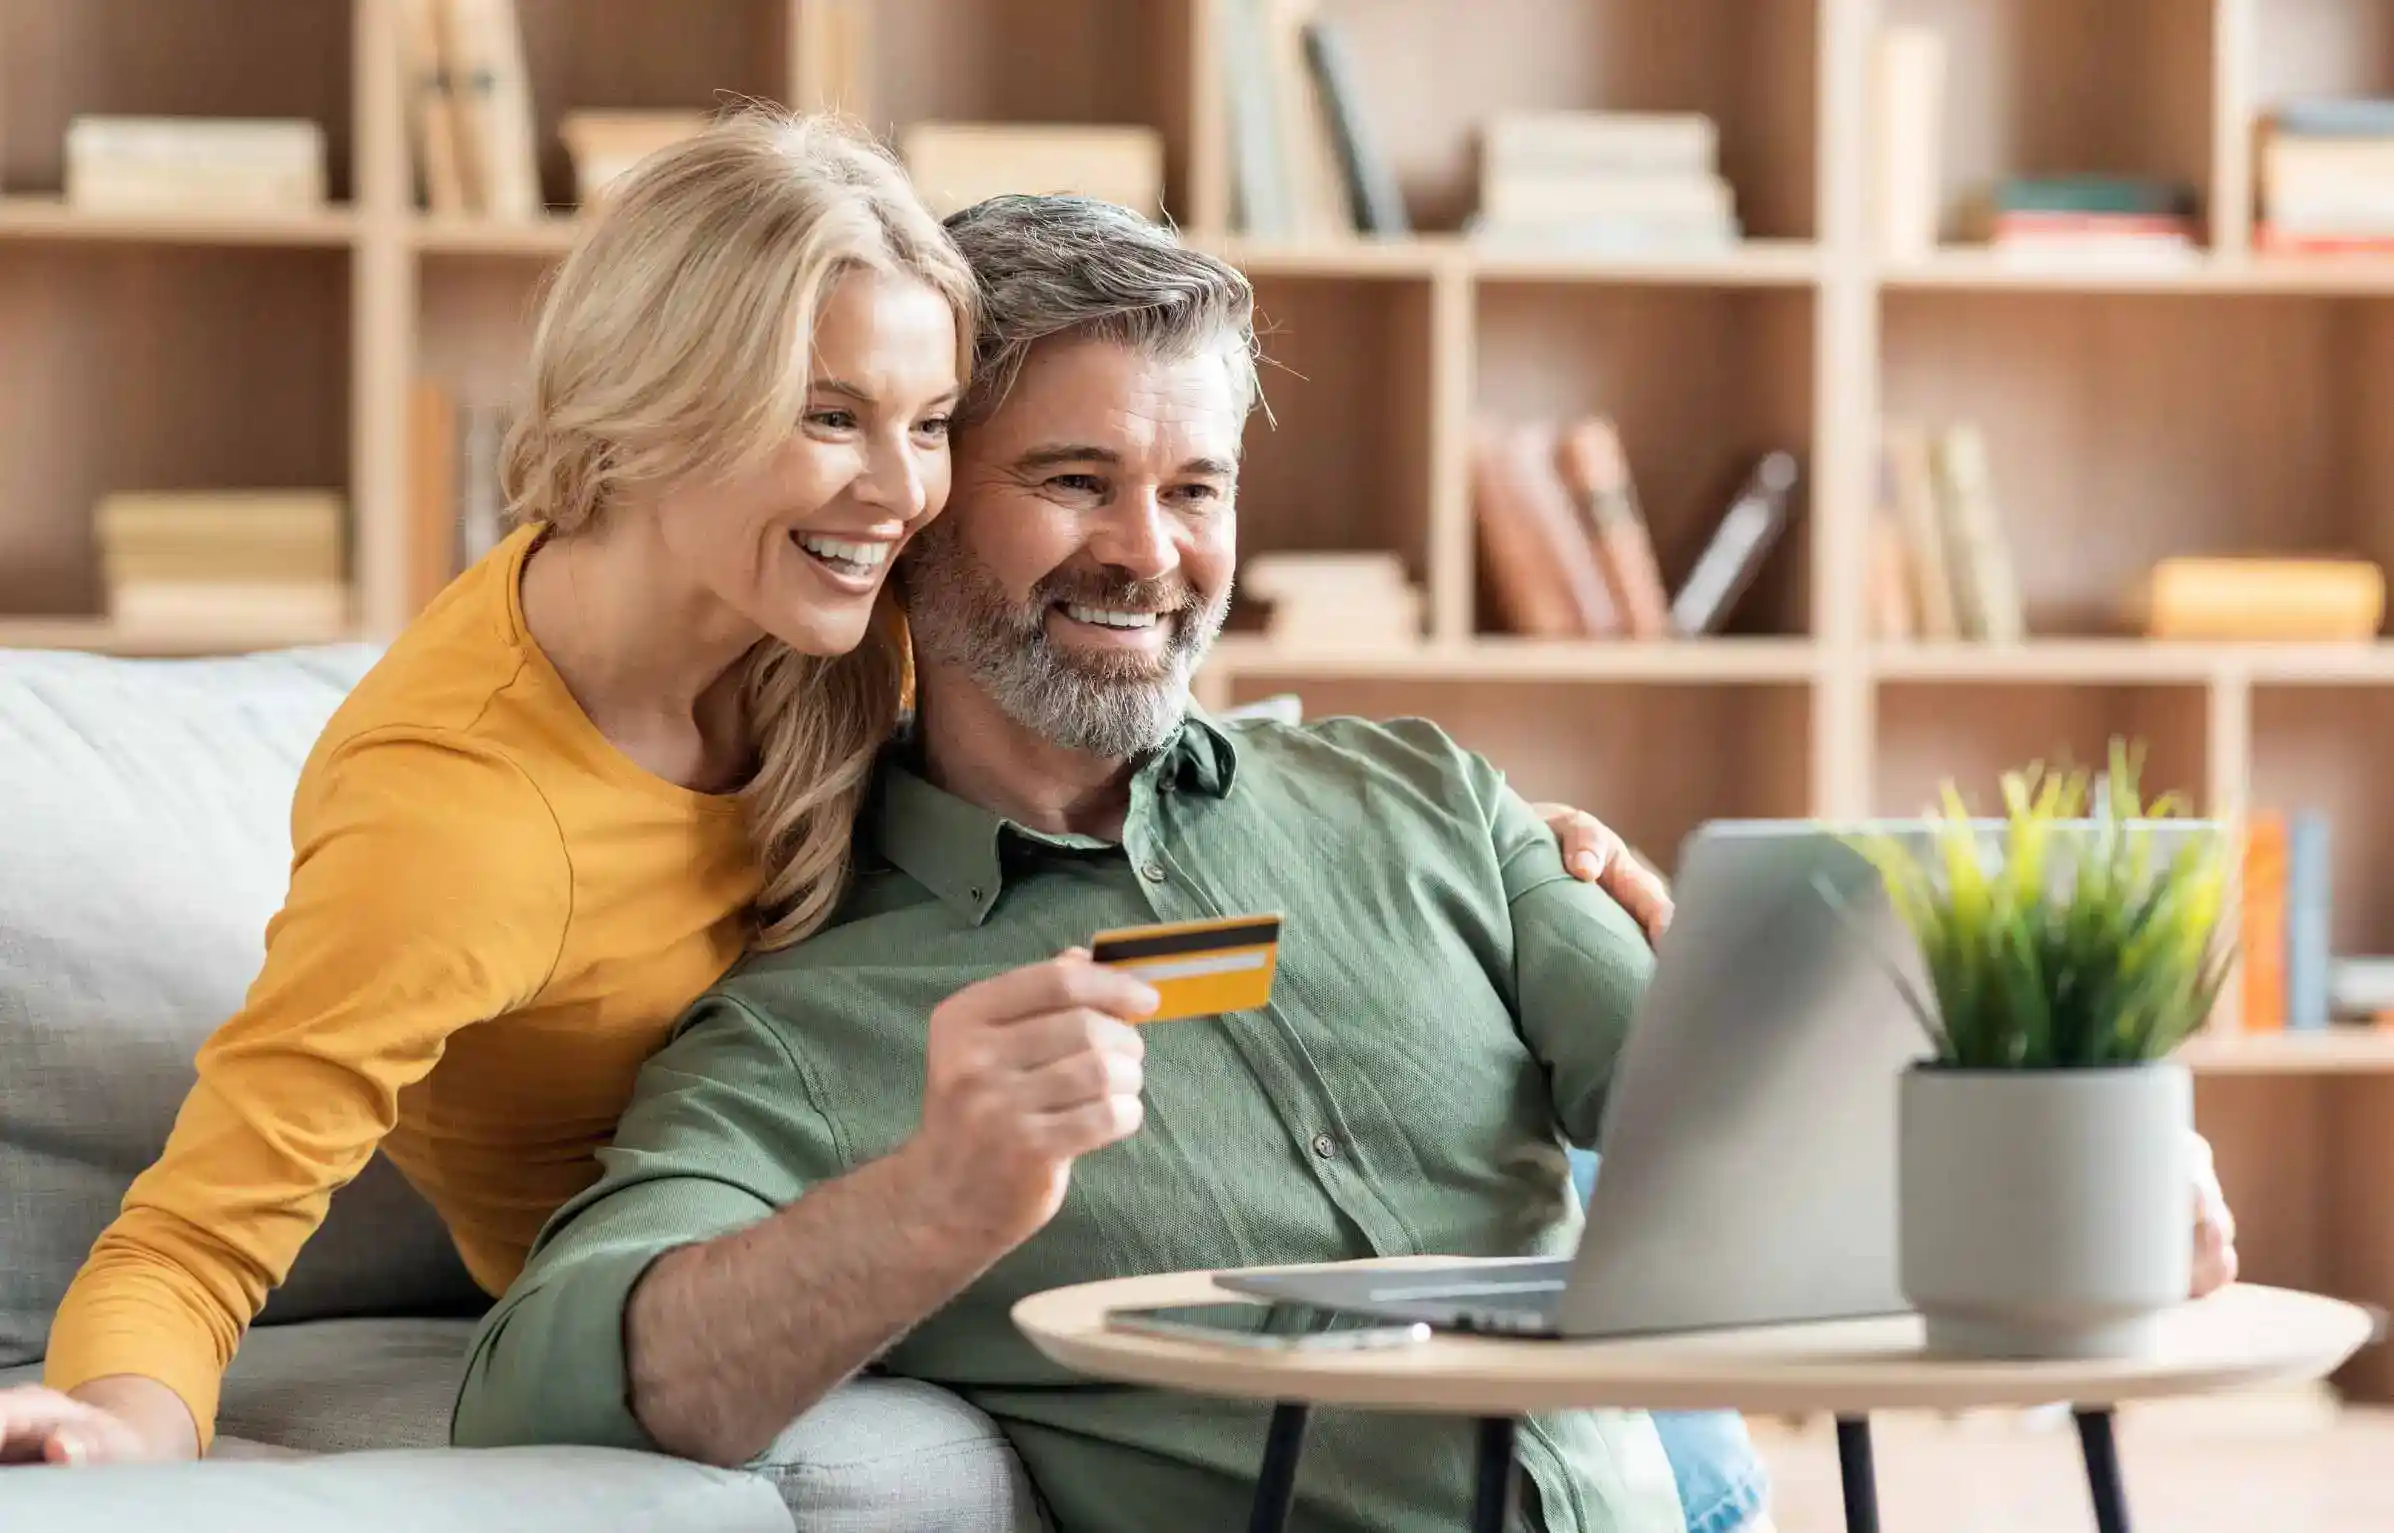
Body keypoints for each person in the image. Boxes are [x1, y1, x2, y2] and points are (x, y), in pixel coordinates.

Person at [450, 195, 2243, 1533]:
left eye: (1198, 488)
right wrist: (933, 1198)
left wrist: (2063, 1164)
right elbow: (550, 1386)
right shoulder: (810, 1019)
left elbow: (1730, 1114)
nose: (1149, 554)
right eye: (1072, 480)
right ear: (920, 514)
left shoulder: (1428, 801)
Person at [0, 113, 1667, 1473]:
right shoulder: (463, 821)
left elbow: (1116, 661)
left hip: (1150, 1110)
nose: (897, 491)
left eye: (934, 422)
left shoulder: (844, 612)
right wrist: (110, 1435)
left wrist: (1498, 851)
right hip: (707, 1212)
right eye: (830, 421)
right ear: (660, 411)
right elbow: (203, 1234)